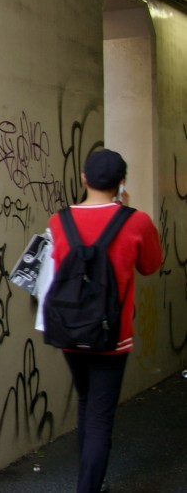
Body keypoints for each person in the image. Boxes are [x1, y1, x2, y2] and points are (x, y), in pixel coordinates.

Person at [47, 148, 163, 493]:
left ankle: (91, 482)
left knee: (86, 402)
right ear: (122, 181)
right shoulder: (136, 221)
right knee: (100, 415)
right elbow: (151, 265)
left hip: (69, 330)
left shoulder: (59, 220)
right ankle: (88, 488)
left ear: (83, 178)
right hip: (112, 335)